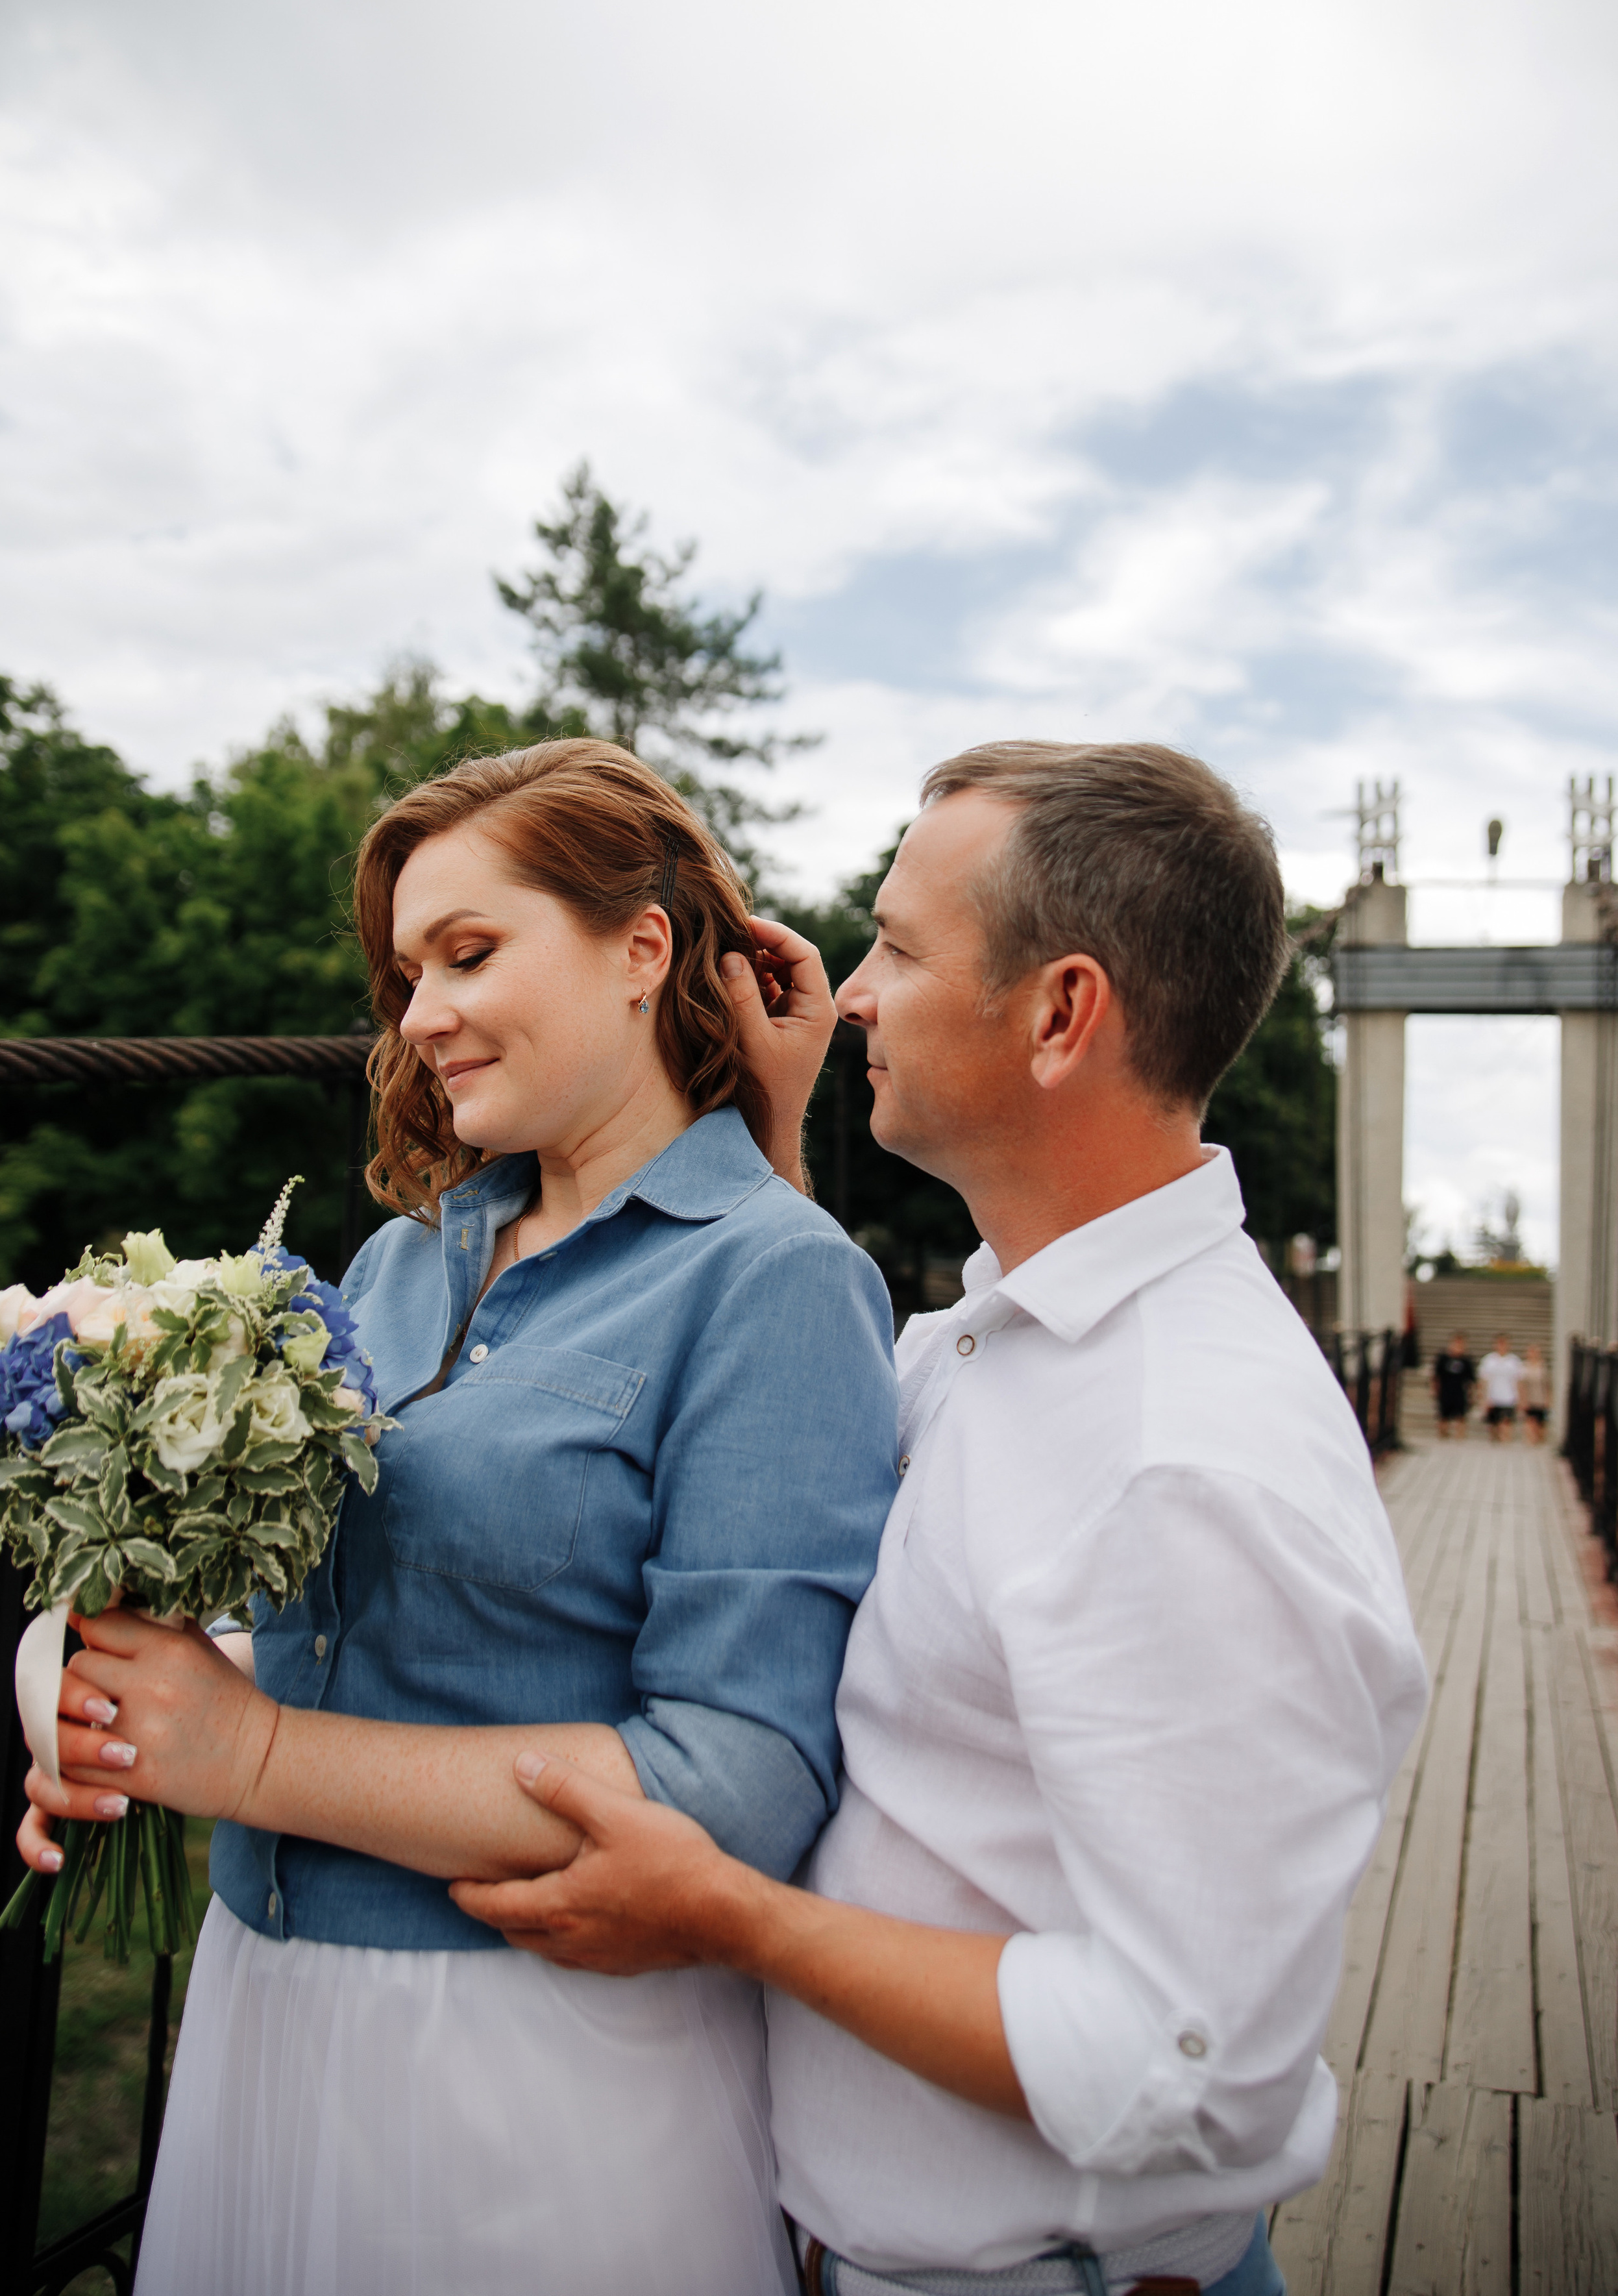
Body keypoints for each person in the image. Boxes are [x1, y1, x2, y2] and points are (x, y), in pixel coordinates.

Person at [453, 742, 1430, 2296]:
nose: (847, 992)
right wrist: (770, 1148)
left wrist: (731, 1915)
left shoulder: (1183, 1462)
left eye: (897, 948)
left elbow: (1187, 2063)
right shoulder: (1000, 1341)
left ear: (1058, 1014)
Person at [17, 740, 900, 2296]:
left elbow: (740, 1782)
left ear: (642, 949)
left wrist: (257, 1759)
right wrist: (112, 1725)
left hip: (531, 2062)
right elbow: (334, 1614)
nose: (418, 1014)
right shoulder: (394, 1263)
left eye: (469, 953)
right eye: (408, 970)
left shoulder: (778, 1275)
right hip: (261, 2009)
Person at [1476, 1329, 1523, 1443]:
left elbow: (1519, 1382)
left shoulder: (1514, 1361)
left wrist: (1520, 1400)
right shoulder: (1489, 1360)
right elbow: (1483, 1381)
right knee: (1494, 1427)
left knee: (1506, 1423)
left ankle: (1506, 1444)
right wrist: (1483, 1399)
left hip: (1509, 1398)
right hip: (1493, 1398)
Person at [1430, 1329, 1477, 1440]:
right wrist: (1434, 1390)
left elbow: (1471, 1380)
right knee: (1443, 1416)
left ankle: (1459, 1438)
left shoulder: (1466, 1361)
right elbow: (1436, 1376)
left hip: (1460, 1392)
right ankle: (1443, 1437)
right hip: (1446, 1391)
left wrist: (1473, 1395)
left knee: (1461, 1416)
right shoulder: (1443, 1358)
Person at [1519, 1342, 1551, 1444]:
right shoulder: (1524, 1367)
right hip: (1529, 1398)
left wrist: (1548, 1399)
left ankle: (1539, 1442)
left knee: (1541, 1425)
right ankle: (1531, 1443)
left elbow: (1547, 1385)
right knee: (1530, 1422)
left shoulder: (1542, 1366)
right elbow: (1522, 1385)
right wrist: (1523, 1400)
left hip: (1540, 1398)